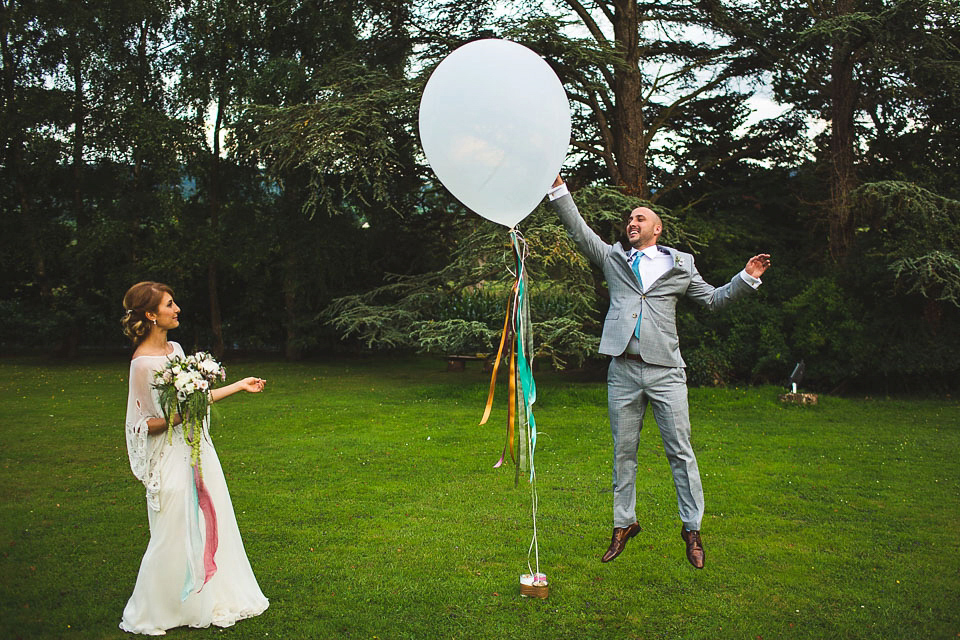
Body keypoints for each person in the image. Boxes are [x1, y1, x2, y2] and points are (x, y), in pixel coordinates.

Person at [547, 177, 771, 568]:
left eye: (640, 218)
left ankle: (692, 528)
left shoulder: (681, 264)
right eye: (628, 220)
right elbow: (579, 231)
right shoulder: (614, 259)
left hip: (666, 372)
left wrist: (747, 277)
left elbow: (715, 300)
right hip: (623, 371)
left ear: (657, 228)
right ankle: (623, 525)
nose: (631, 223)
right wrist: (559, 190)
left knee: (680, 452)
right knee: (623, 453)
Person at [119, 281, 269, 634]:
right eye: (170, 305)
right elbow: (144, 422)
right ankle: (160, 607)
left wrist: (238, 385)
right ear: (151, 315)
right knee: (173, 529)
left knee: (210, 521)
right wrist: (179, 417)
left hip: (197, 449)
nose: (177, 309)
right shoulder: (141, 363)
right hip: (169, 455)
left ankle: (209, 597)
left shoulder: (176, 348)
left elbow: (195, 396)